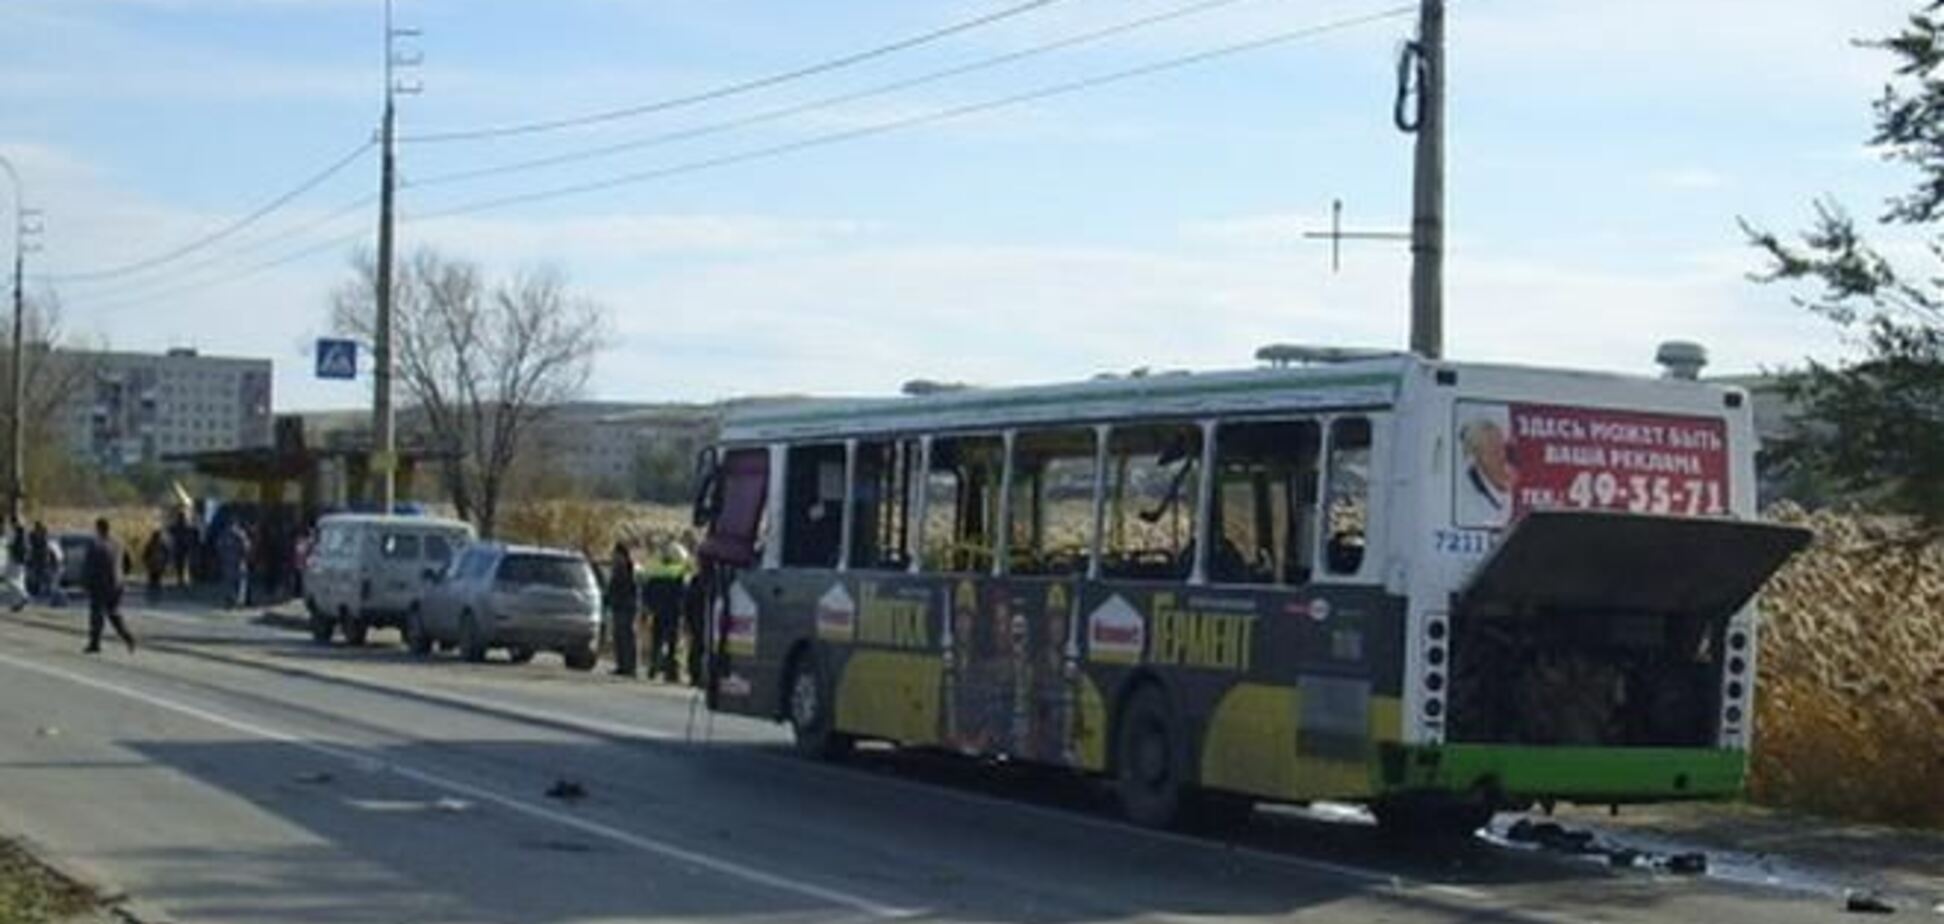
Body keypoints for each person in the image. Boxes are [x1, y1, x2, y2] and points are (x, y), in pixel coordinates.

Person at [642, 537, 692, 682]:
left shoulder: (656, 570)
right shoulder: (680, 573)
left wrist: (649, 608)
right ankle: (671, 673)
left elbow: (647, 591)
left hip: (658, 612)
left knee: (657, 641)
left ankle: (653, 668)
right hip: (673, 613)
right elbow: (684, 595)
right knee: (673, 644)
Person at [82, 518, 135, 654]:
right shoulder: (118, 543)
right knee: (114, 613)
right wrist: (123, 575)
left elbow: (89, 565)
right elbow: (129, 562)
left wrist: (86, 582)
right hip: (117, 584)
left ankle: (95, 642)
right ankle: (127, 636)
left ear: (98, 528)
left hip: (100, 584)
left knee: (97, 614)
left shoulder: (94, 544)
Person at [605, 542, 640, 678]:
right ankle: (622, 665)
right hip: (619, 605)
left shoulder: (627, 569)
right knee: (619, 636)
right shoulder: (618, 568)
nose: (614, 557)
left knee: (626, 636)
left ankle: (629, 666)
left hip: (626, 606)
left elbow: (627, 589)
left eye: (616, 554)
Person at [142, 528, 170, 605]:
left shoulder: (162, 544)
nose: (157, 537)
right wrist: (146, 563)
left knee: (156, 581)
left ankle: (155, 598)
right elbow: (145, 555)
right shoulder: (151, 544)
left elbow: (167, 555)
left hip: (157, 565)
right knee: (153, 581)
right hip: (153, 565)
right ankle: (153, 598)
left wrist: (165, 564)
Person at [26, 520, 50, 598]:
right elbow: (31, 544)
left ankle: (42, 590)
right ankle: (36, 590)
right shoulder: (32, 535)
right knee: (36, 575)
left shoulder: (43, 534)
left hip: (42, 557)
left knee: (42, 574)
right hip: (36, 557)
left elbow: (44, 545)